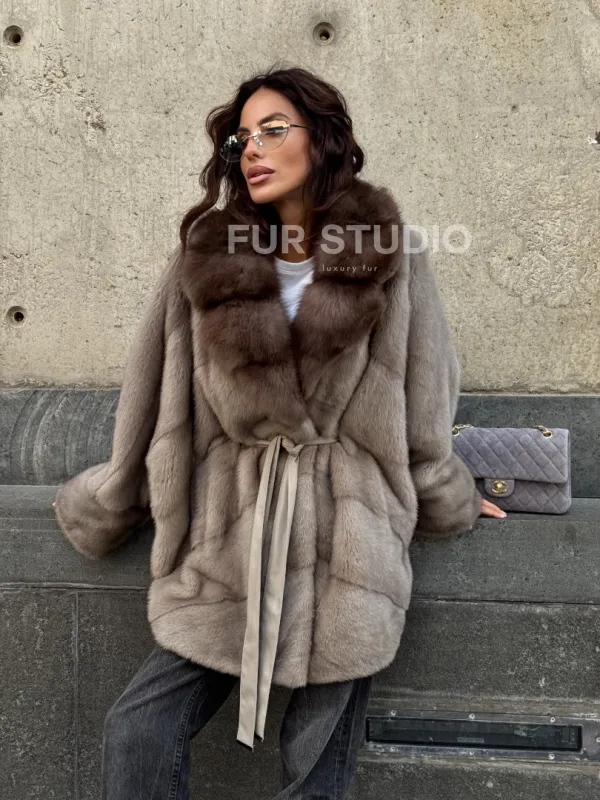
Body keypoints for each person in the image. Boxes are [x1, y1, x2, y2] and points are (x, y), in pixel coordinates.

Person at [53, 63, 506, 800]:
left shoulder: (393, 255)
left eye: (272, 130)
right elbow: (156, 398)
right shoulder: (204, 259)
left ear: (320, 138)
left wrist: (445, 491)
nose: (253, 151)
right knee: (138, 730)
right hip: (233, 542)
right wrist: (117, 493)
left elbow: (425, 399)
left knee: (314, 772)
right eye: (241, 139)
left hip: (352, 549)